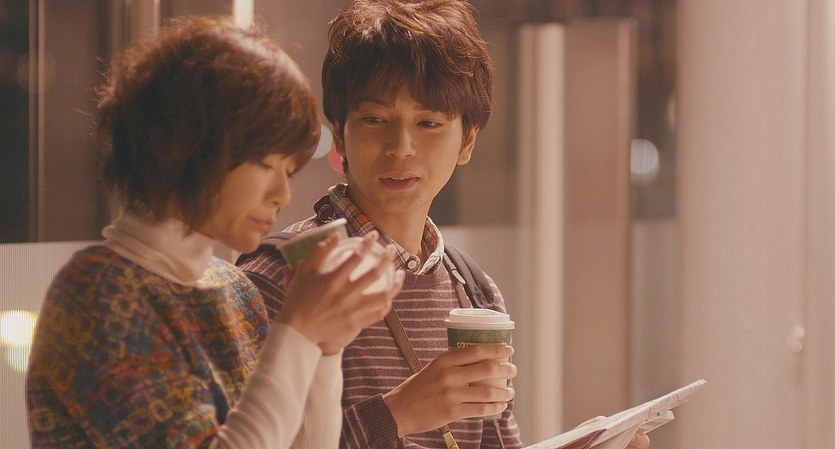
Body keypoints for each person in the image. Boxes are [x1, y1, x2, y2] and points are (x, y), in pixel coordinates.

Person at [237, 1, 650, 449]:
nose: (401, 147)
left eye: (429, 123)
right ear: (339, 133)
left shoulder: (473, 289)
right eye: (375, 120)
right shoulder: (281, 277)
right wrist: (396, 413)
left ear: (467, 140)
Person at [25, 15, 401, 449]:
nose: (281, 195)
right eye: (266, 164)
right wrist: (298, 329)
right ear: (191, 147)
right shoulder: (98, 294)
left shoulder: (235, 290)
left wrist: (325, 345)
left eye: (288, 171)